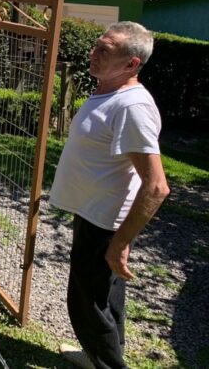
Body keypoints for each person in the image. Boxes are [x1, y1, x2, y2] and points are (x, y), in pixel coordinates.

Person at [49, 22, 170, 369]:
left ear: (131, 64)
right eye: (96, 45)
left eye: (105, 49)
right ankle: (99, 356)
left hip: (104, 223)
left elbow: (156, 185)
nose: (93, 53)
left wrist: (119, 243)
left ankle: (106, 363)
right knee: (105, 299)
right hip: (92, 214)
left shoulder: (132, 106)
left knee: (87, 304)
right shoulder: (108, 92)